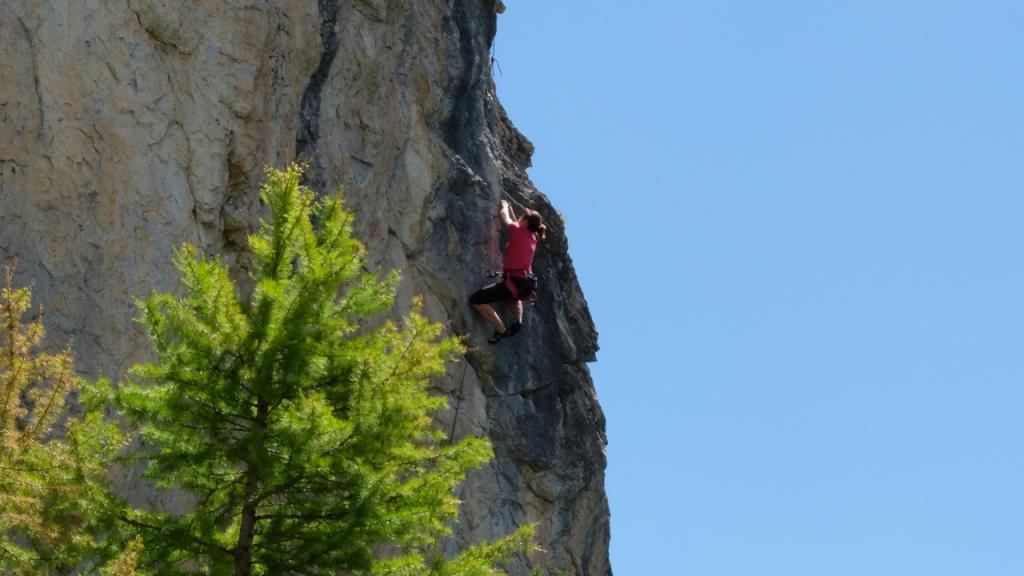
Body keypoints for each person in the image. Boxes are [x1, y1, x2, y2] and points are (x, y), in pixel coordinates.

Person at [470, 199, 547, 344]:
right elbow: (519, 225)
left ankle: (500, 330)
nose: (520, 217)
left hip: (514, 282)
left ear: (526, 222)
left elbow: (505, 217)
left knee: (476, 300)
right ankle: (518, 321)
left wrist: (505, 207)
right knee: (512, 297)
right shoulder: (533, 237)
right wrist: (514, 212)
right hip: (525, 282)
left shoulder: (517, 230)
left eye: (522, 216)